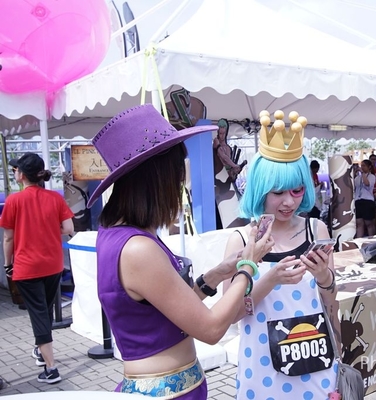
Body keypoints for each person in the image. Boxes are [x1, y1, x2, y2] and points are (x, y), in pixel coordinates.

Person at [87, 104, 274, 399]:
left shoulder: (119, 234)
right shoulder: (137, 248)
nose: (180, 188)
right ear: (155, 180)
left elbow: (168, 308)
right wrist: (247, 268)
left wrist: (217, 274)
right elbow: (211, 330)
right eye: (176, 177)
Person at [223, 110, 339, 399]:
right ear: (261, 190)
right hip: (262, 369)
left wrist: (324, 276)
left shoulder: (316, 229)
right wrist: (270, 280)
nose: (289, 202)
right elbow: (230, 315)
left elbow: (331, 301)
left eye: (297, 191)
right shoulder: (242, 239)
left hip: (315, 360)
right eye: (278, 192)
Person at [0, 153, 74, 384]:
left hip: (27, 266)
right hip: (53, 265)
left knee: (38, 313)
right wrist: (48, 229)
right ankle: (40, 351)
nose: (15, 172)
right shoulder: (55, 198)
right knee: (46, 309)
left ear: (22, 174)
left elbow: (8, 238)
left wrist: (7, 264)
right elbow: (68, 228)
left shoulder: (13, 201)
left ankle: (51, 369)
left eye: (16, 170)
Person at [213, 118, 247, 182]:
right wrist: (234, 165)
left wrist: (234, 170)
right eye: (220, 133)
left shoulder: (228, 148)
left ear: (226, 132)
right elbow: (223, 156)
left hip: (226, 177)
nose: (222, 136)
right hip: (217, 175)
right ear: (218, 132)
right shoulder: (216, 141)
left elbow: (227, 164)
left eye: (224, 133)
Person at [354, 159, 376, 238]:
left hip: (367, 201)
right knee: (359, 223)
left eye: (364, 166)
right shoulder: (358, 178)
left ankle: (372, 239)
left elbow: (367, 184)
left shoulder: (372, 176)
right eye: (361, 166)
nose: (362, 167)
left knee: (369, 223)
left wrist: (363, 173)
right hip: (358, 200)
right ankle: (359, 240)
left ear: (369, 167)